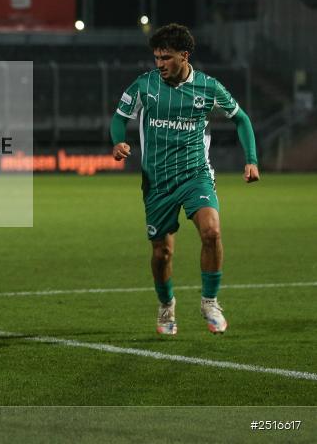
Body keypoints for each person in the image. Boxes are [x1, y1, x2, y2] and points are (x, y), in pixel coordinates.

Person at [110, 23, 259, 336]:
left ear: (184, 55)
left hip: (196, 175)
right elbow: (119, 117)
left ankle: (210, 302)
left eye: (166, 57)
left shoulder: (208, 88)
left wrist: (251, 160)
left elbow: (241, 119)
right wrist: (118, 141)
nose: (159, 64)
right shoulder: (144, 86)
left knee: (212, 232)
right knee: (162, 253)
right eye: (156, 58)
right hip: (157, 181)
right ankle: (166, 306)